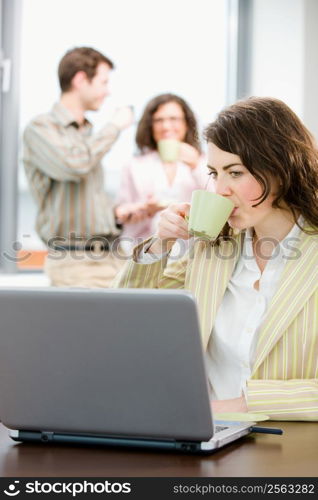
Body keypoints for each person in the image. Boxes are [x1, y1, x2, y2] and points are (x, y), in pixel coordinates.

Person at [114, 96, 318, 421]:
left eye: (235, 173)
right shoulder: (210, 246)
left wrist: (240, 406)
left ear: (281, 169)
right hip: (205, 442)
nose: (220, 189)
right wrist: (161, 244)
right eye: (214, 172)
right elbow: (127, 322)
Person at [23, 46, 134, 287]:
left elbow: (82, 202)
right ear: (81, 79)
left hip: (113, 256)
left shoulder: (87, 135)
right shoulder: (40, 129)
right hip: (77, 262)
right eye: (103, 82)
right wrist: (114, 126)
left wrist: (115, 216)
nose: (108, 91)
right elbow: (75, 165)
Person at [115, 93, 208, 253]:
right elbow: (122, 210)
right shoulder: (134, 165)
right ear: (150, 126)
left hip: (191, 253)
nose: (166, 126)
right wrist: (144, 209)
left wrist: (196, 165)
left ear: (187, 123)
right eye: (159, 120)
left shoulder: (204, 161)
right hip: (145, 250)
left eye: (174, 119)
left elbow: (216, 199)